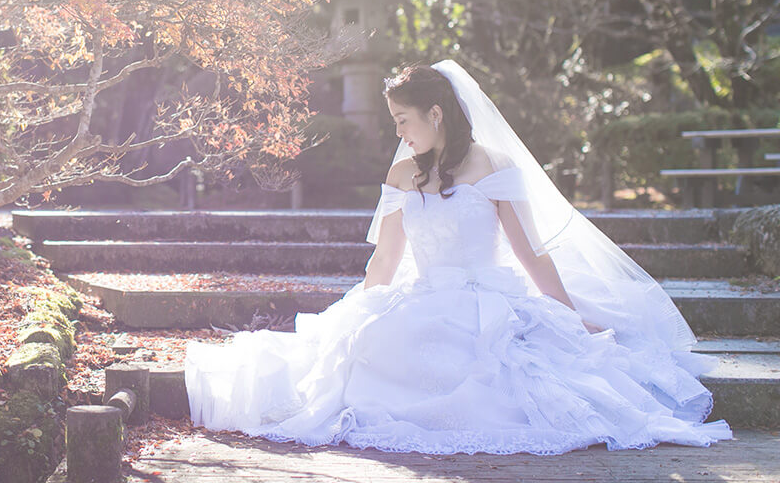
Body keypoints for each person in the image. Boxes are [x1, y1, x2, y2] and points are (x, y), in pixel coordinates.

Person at [184, 60, 732, 455]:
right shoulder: (402, 174)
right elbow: (386, 259)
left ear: (436, 114)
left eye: (403, 119)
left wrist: (568, 315)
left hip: (489, 299)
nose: (396, 131)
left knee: (505, 366)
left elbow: (531, 253)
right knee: (372, 346)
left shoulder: (492, 166)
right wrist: (354, 314)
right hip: (424, 296)